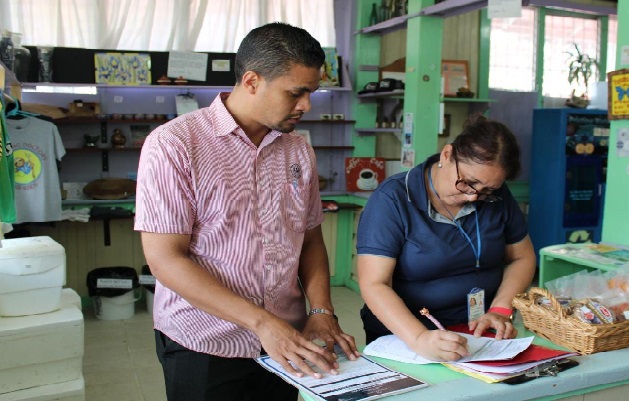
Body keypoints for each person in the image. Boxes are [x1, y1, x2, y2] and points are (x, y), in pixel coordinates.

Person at [134, 22, 359, 401]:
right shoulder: (175, 144)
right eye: (296, 92)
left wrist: (321, 310)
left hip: (285, 342)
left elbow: (309, 238)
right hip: (205, 343)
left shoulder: (297, 150)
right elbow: (165, 260)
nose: (306, 105)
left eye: (312, 93)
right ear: (252, 81)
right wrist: (263, 324)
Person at [356, 114, 536, 363]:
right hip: (406, 335)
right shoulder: (394, 199)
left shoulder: (497, 197)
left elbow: (522, 257)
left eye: (487, 191)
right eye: (469, 183)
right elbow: (374, 283)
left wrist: (500, 309)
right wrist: (419, 339)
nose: (474, 197)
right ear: (446, 155)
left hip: (477, 332)